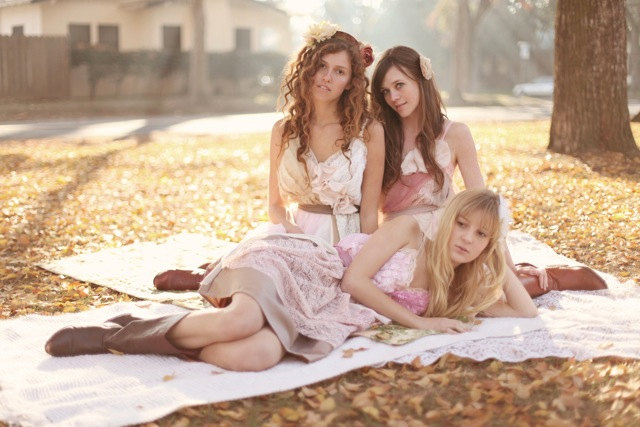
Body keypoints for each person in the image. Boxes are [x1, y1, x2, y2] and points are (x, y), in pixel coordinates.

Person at [45, 189, 537, 371]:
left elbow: (525, 311)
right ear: (448, 219)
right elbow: (355, 282)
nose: (468, 238)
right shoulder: (411, 230)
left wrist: (500, 245)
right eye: (463, 225)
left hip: (326, 311)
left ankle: (157, 335)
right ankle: (112, 337)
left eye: (481, 235)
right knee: (239, 321)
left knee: (253, 355)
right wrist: (420, 323)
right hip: (305, 269)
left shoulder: (459, 290)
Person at [153, 22, 385, 291]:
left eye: (339, 71)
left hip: (344, 239)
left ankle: (217, 274)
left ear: (350, 83)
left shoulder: (368, 131)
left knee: (298, 287)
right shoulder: (284, 130)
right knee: (268, 264)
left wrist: (367, 266)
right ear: (308, 69)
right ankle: (212, 274)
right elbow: (275, 205)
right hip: (294, 231)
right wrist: (293, 232)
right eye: (321, 66)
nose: (327, 77)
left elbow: (370, 213)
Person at [370, 46, 606, 297]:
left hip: (445, 237)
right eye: (385, 91)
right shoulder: (379, 134)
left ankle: (549, 279)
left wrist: (508, 269)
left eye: (399, 85)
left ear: (421, 79)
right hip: (397, 240)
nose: (393, 97)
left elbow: (485, 204)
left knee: (479, 296)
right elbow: (370, 207)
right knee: (402, 293)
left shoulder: (456, 133)